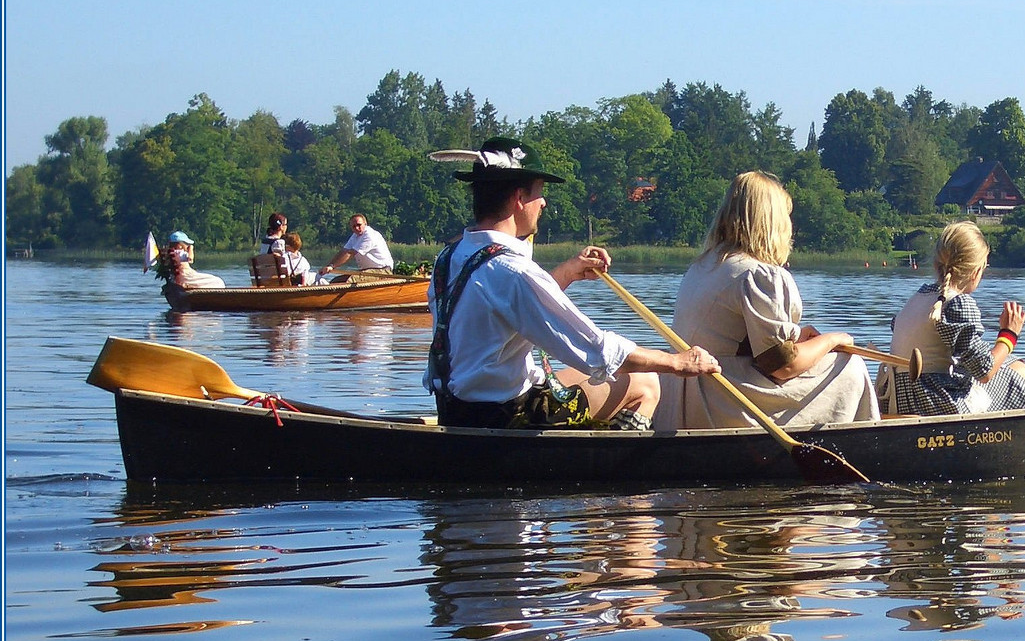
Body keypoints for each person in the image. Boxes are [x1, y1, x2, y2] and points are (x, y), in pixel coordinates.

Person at [424, 136, 719, 431]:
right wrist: (679, 363)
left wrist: (567, 273)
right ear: (518, 198)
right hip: (507, 417)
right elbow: (598, 353)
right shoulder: (513, 271)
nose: (543, 202)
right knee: (643, 382)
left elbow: (511, 308)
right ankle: (610, 468)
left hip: (456, 410)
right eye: (539, 193)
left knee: (565, 378)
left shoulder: (450, 257)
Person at [653, 171, 879, 431]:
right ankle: (864, 444)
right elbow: (782, 366)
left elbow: (739, 342)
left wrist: (801, 338)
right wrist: (832, 340)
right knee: (849, 366)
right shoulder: (756, 274)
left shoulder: (703, 266)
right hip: (724, 401)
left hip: (684, 399)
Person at [882, 220, 1025, 416]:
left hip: (901, 401)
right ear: (976, 271)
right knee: (1021, 371)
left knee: (1009, 362)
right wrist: (1008, 335)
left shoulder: (917, 298)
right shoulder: (958, 303)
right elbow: (985, 372)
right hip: (937, 404)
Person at [323, 213, 394, 275]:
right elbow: (344, 251)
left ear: (365, 224)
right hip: (367, 271)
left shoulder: (370, 235)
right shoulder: (355, 236)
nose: (357, 228)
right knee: (337, 280)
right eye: (354, 226)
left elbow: (351, 253)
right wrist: (328, 266)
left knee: (350, 281)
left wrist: (332, 267)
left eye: (359, 225)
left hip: (383, 271)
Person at [160, 231, 226, 289]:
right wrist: (191, 249)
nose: (188, 246)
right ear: (180, 245)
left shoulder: (171, 254)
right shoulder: (180, 253)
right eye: (186, 244)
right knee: (218, 281)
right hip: (187, 276)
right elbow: (190, 259)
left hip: (180, 277)